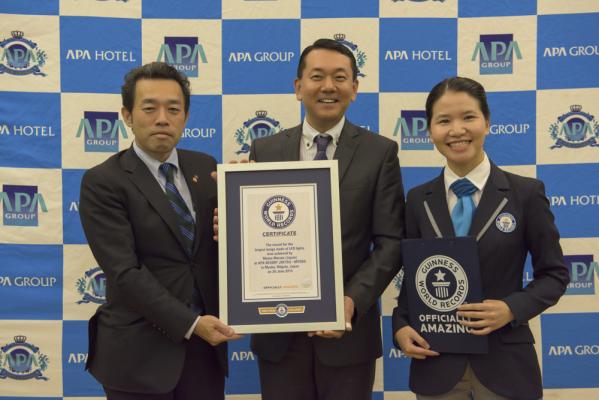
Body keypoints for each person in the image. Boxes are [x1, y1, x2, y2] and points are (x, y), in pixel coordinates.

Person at [392, 77, 569, 400]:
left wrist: (511, 308)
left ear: (487, 123)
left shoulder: (525, 193)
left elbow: (555, 274)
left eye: (468, 117)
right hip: (436, 363)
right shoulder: (418, 200)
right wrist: (401, 325)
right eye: (444, 121)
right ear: (430, 131)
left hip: (506, 365)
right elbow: (413, 280)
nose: (456, 130)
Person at [248, 38, 405, 400]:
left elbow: (391, 241)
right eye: (317, 76)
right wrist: (231, 223)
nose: (328, 86)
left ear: (355, 88)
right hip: (278, 334)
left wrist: (351, 300)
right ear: (298, 87)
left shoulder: (379, 152)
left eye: (340, 77)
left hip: (348, 335)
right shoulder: (265, 150)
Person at [79, 62, 240, 400]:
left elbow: (219, 249)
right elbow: (125, 273)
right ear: (127, 115)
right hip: (138, 356)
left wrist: (246, 201)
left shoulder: (206, 168)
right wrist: (192, 324)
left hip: (204, 355)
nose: (162, 119)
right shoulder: (103, 181)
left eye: (173, 109)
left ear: (186, 116)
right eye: (149, 108)